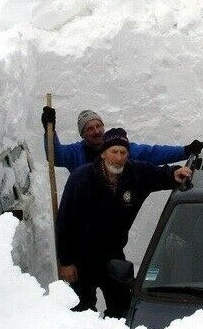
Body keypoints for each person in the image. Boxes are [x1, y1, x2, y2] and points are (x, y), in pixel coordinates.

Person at [55, 127, 193, 318]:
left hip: (113, 256)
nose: (118, 158)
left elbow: (159, 175)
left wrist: (174, 174)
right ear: (103, 153)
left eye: (123, 152)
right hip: (81, 258)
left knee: (121, 308)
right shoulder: (81, 178)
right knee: (81, 310)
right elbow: (65, 222)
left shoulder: (134, 173)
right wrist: (66, 262)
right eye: (114, 152)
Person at [42, 106, 202, 173]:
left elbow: (151, 153)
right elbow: (55, 156)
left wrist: (185, 151)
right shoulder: (75, 153)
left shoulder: (118, 149)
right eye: (90, 128)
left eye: (99, 126)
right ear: (82, 134)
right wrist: (50, 130)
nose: (96, 131)